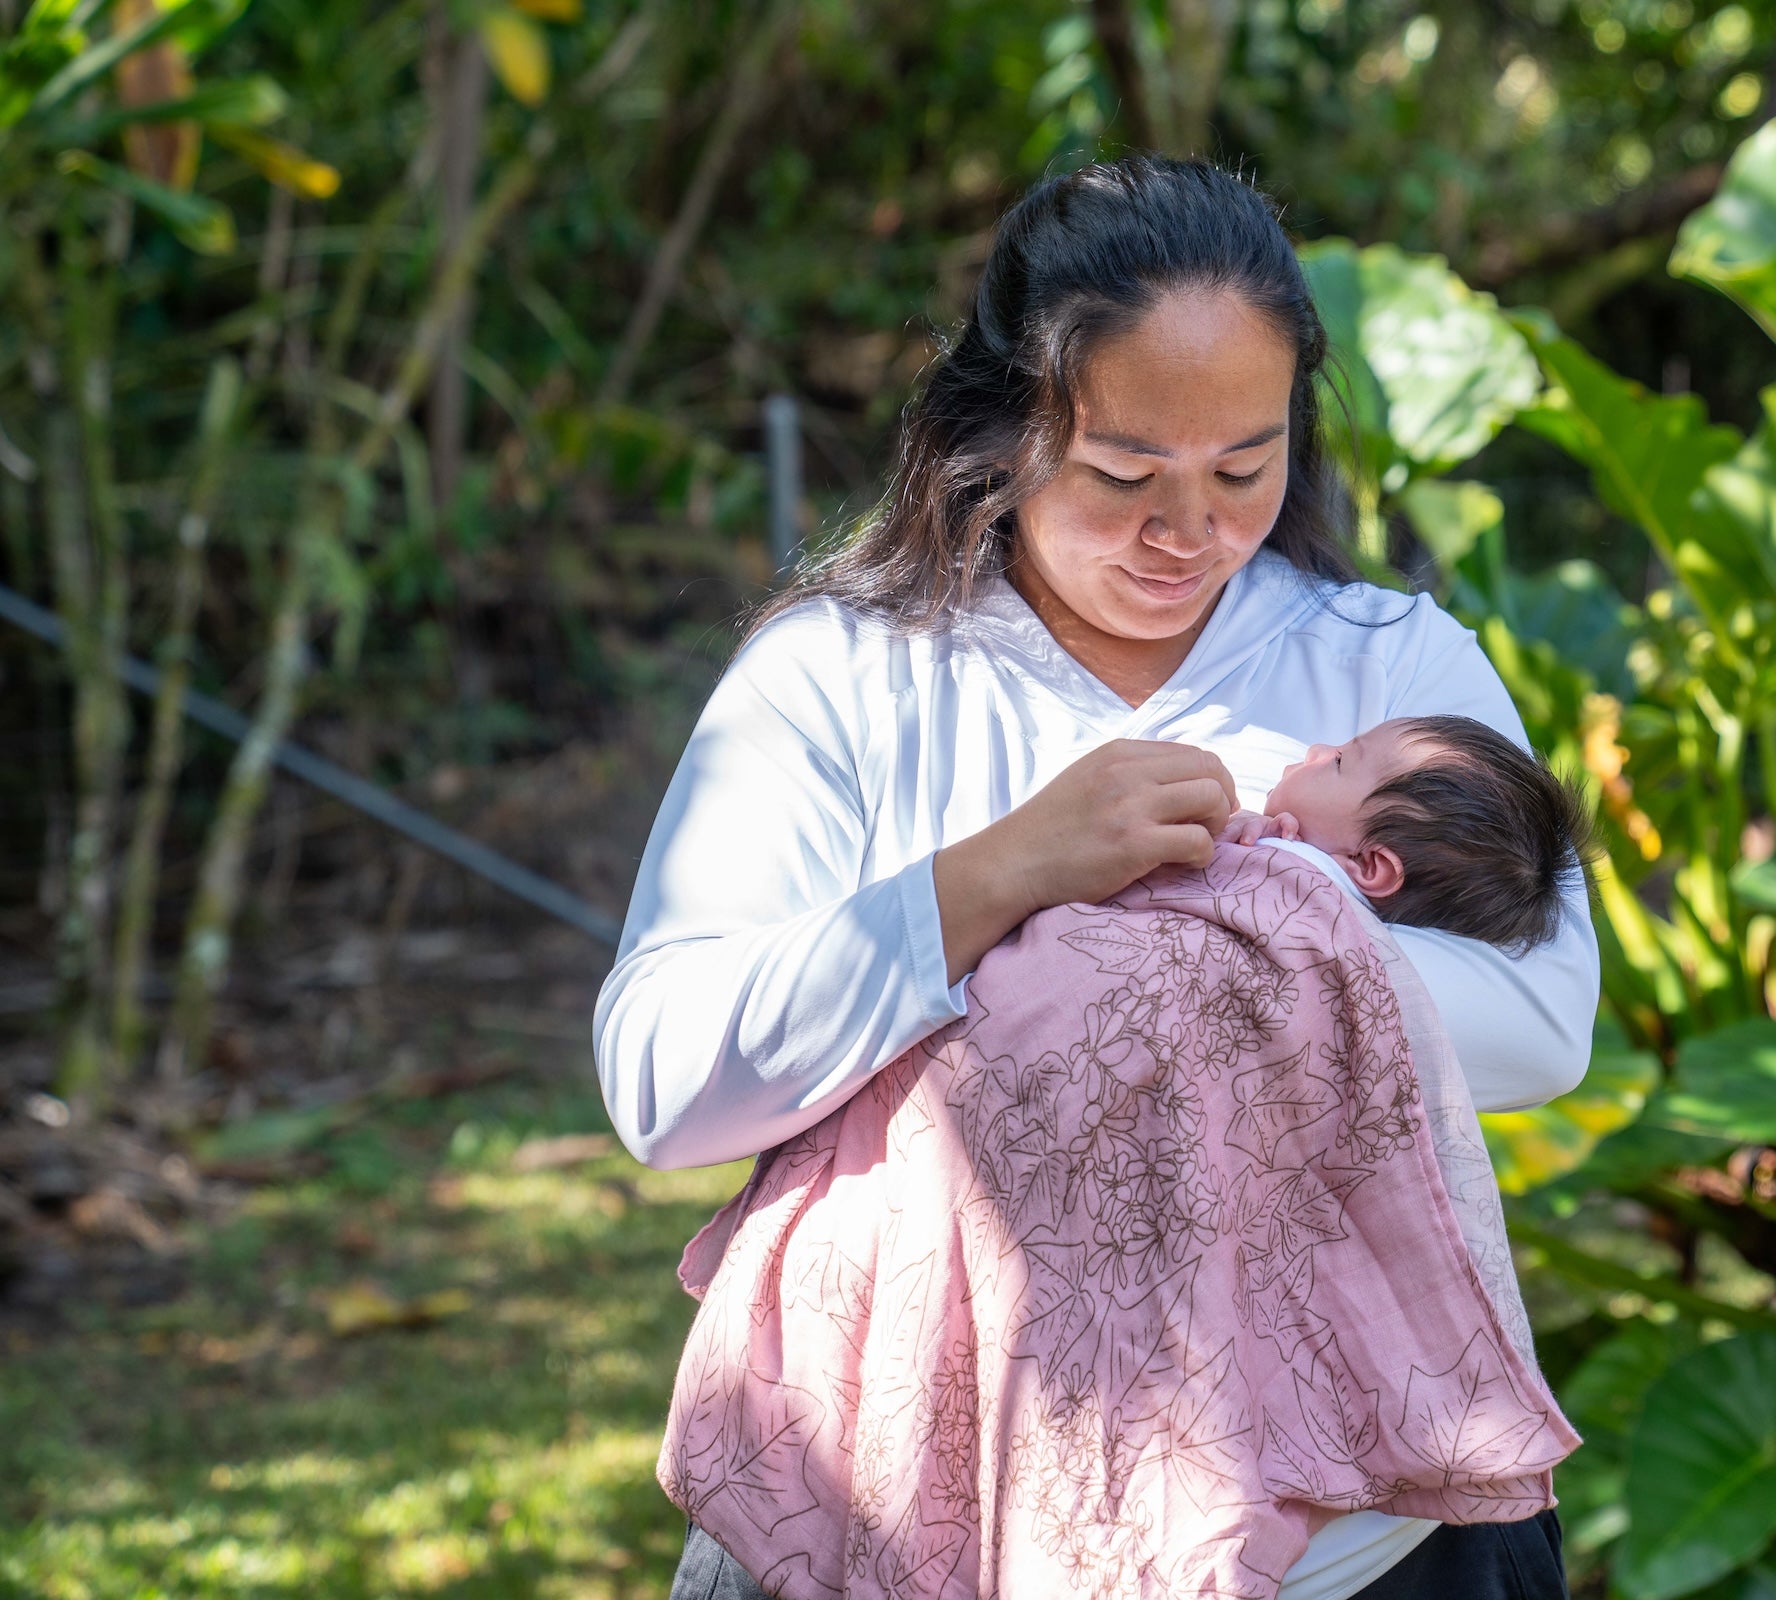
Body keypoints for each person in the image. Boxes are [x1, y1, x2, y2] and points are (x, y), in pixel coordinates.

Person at [598, 154, 1598, 1600]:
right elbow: (662, 1079)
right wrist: (1000, 874)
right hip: (906, 1509)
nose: (1189, 533)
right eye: (1126, 475)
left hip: (1365, 1540)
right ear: (1002, 430)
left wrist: (1206, 941)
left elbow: (1544, 1018)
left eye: (1243, 470)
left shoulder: (1385, 667)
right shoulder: (843, 676)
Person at [1224, 714, 1589, 953]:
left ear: (1370, 865)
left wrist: (1228, 839)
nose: (1317, 750)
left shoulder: (1303, 892)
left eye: (1340, 761)